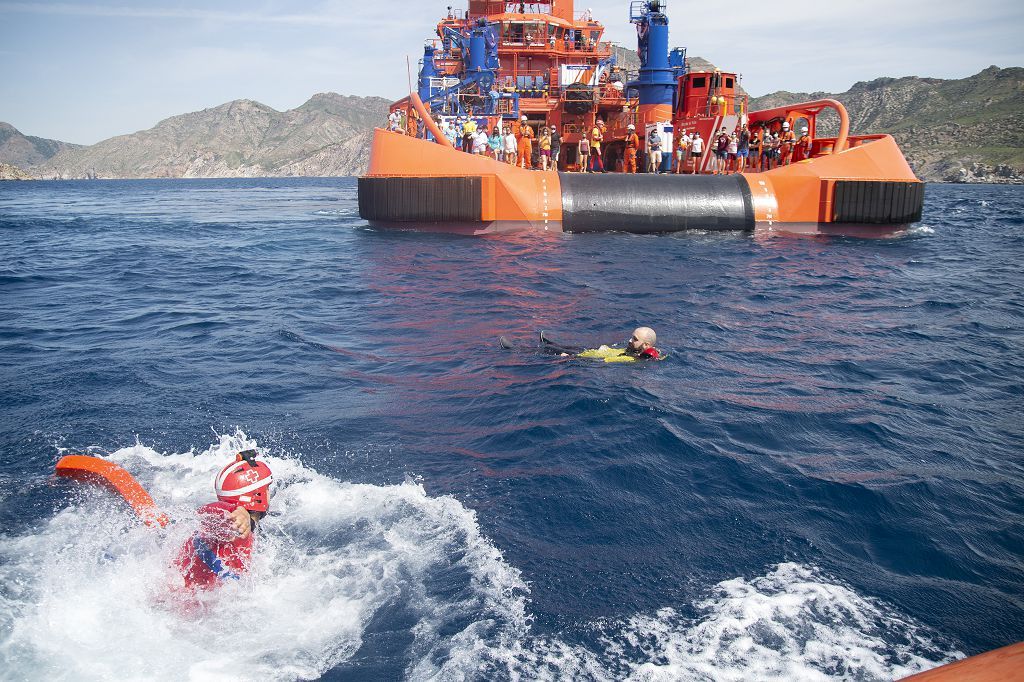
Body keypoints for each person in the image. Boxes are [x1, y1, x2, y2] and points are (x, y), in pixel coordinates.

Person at [175, 450, 273, 590]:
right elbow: (208, 512)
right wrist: (235, 512)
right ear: (258, 495)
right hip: (189, 604)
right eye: (267, 489)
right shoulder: (233, 528)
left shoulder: (245, 528)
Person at [536, 328, 661, 362]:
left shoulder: (640, 358)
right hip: (599, 351)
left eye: (634, 339)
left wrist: (573, 358)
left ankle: (544, 346)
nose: (629, 340)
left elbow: (605, 361)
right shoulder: (638, 350)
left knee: (557, 351)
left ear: (645, 345)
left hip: (593, 358)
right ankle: (548, 343)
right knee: (569, 347)